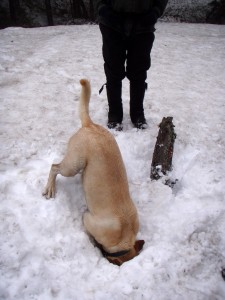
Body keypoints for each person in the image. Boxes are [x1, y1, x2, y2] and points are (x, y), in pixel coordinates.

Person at [95, 0, 168, 130]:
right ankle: (114, 114)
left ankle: (137, 114)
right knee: (113, 70)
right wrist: (103, 8)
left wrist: (155, 11)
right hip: (111, 21)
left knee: (138, 71)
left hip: (144, 22)